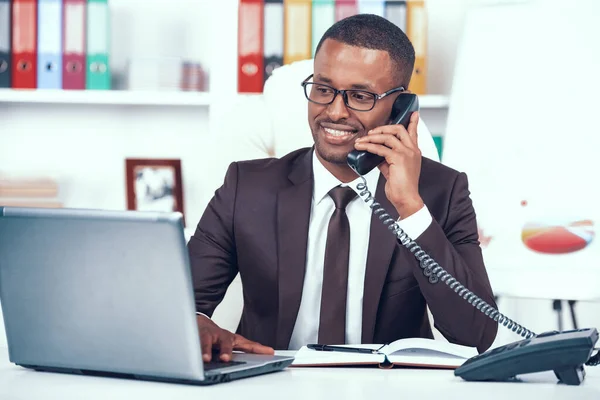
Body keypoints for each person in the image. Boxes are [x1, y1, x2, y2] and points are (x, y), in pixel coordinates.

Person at [188, 14, 498, 363]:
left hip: (389, 389)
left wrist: (410, 207)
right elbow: (180, 304)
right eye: (323, 90)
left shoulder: (443, 191)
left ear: (400, 107)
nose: (335, 111)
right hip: (271, 385)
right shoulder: (247, 187)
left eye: (360, 96)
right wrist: (196, 324)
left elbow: (477, 335)